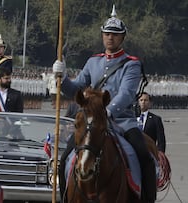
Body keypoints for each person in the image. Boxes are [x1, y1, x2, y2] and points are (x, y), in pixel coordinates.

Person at [53, 5, 156, 203]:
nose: (110, 38)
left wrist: (107, 111)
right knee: (64, 158)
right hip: (93, 121)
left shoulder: (131, 63)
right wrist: (62, 77)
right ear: (102, 36)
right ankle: (65, 197)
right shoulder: (93, 62)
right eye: (107, 34)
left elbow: (126, 93)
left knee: (145, 157)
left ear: (122, 38)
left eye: (115, 35)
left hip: (122, 121)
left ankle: (146, 198)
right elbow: (75, 89)